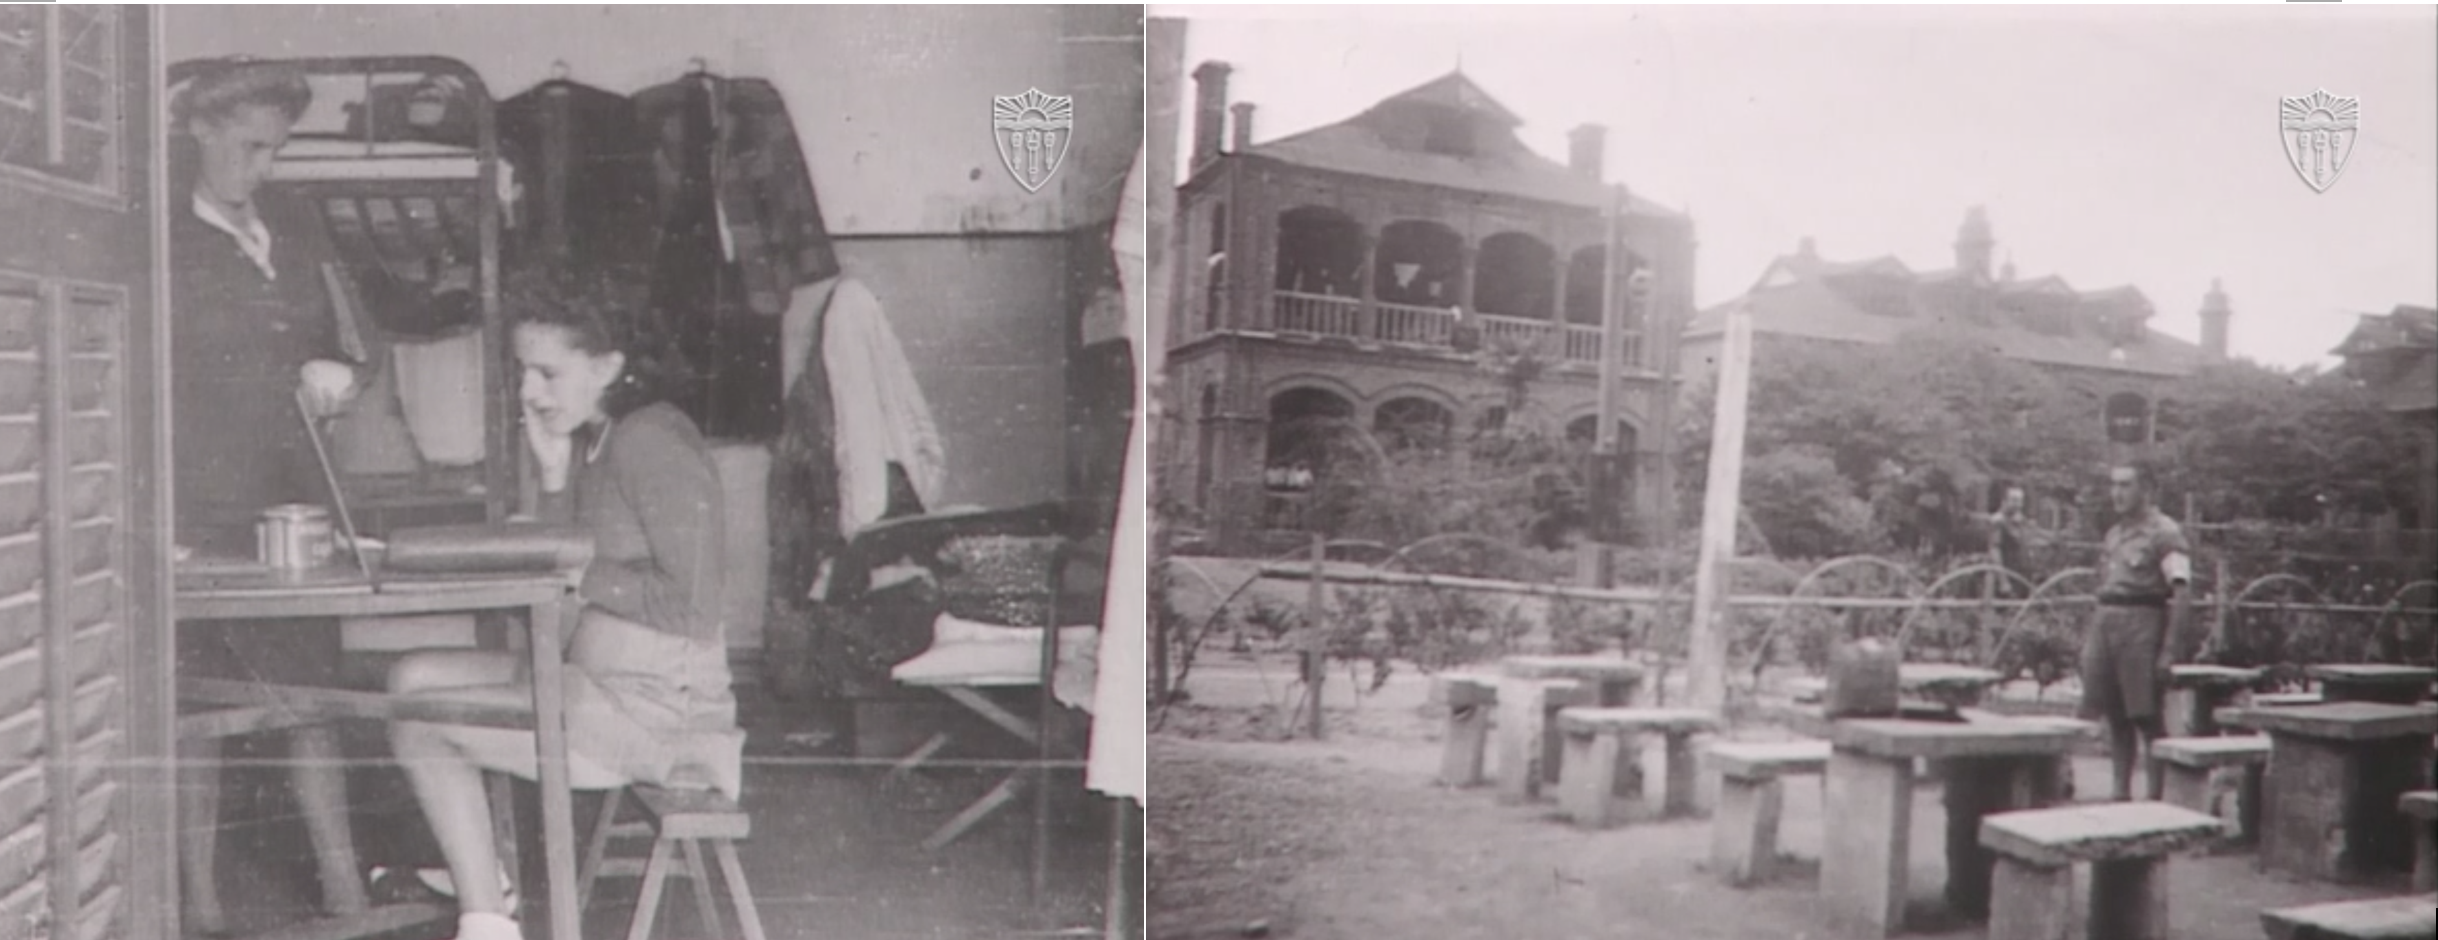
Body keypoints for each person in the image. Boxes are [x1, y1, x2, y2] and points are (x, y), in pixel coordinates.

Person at [386, 275, 742, 940]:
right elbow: (565, 587)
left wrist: (580, 566)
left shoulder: (651, 442)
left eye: (547, 374)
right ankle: (485, 877)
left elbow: (694, 607)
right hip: (598, 684)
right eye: (524, 372)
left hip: (658, 714)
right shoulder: (599, 442)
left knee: (418, 724)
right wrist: (554, 482)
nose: (529, 393)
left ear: (609, 366)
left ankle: (488, 920)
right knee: (408, 678)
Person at [169, 62, 374, 933]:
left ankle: (346, 893)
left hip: (295, 502)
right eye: (251, 147)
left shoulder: (289, 223)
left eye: (276, 149)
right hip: (200, 503)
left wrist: (343, 379)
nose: (265, 167)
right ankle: (202, 910)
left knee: (312, 698)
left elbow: (341, 342)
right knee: (200, 711)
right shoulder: (160, 234)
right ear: (201, 133)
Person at [2080, 463, 2195, 802]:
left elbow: (2182, 592)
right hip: (2108, 624)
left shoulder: (2164, 532)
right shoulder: (2114, 534)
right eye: (2114, 485)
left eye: (2126, 485)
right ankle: (2120, 796)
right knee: (2115, 716)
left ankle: (2156, 800)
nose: (2117, 493)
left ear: (2146, 489)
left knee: (2146, 716)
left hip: (2143, 625)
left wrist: (2170, 649)